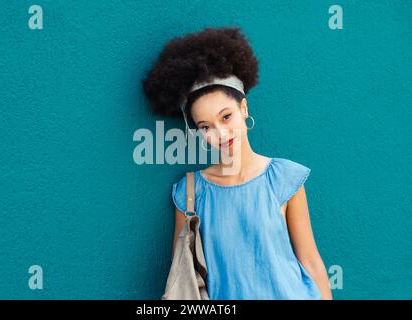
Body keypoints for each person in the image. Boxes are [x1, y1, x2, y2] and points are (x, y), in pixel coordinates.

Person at [142, 27, 332, 300]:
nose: (219, 134)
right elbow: (182, 281)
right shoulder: (190, 193)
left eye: (226, 117)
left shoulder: (283, 178)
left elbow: (311, 261)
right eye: (205, 126)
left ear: (243, 109)